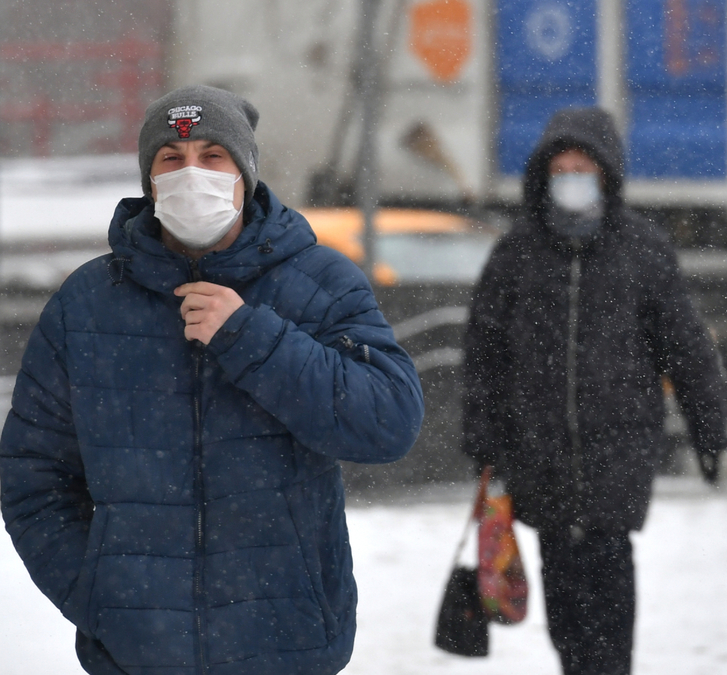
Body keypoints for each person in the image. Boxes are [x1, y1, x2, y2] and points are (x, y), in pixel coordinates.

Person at [0, 85, 424, 675]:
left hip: (288, 647)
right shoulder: (87, 305)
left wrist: (252, 339)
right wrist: (104, 595)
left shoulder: (320, 282)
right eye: (171, 159)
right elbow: (32, 475)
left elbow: (389, 420)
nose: (190, 173)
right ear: (149, 179)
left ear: (245, 173)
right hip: (137, 657)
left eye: (212, 155)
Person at [461, 107, 727, 675]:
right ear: (544, 174)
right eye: (561, 168)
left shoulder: (643, 250)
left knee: (609, 571)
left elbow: (684, 345)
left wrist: (710, 428)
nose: (572, 177)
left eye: (583, 166)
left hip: (619, 452)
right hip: (542, 455)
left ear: (606, 174)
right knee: (562, 583)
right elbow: (485, 352)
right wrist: (483, 434)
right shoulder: (518, 254)